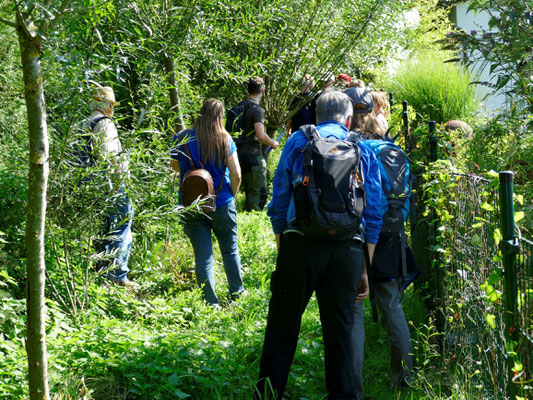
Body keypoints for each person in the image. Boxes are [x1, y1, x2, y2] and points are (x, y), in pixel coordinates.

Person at [255, 91, 383, 400]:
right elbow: (375, 210)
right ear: (349, 118)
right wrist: (365, 267)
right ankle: (344, 395)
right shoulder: (361, 147)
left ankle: (270, 394)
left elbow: (280, 201)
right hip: (348, 249)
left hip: (300, 243)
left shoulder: (299, 142)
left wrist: (282, 249)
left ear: (316, 116)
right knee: (340, 329)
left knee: (283, 324)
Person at [351, 125, 414, 399]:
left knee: (354, 311)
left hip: (363, 236)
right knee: (393, 308)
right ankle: (403, 378)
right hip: (392, 239)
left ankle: (352, 385)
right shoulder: (397, 153)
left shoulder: (359, 150)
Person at [170, 98, 245, 306]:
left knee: (203, 256)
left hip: (191, 203)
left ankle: (210, 303)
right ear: (220, 117)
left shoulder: (182, 137)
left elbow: (174, 167)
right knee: (229, 250)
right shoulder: (224, 138)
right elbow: (237, 173)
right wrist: (232, 194)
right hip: (221, 202)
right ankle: (237, 294)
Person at [87, 86, 135, 287]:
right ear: (107, 105)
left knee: (104, 229)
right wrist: (116, 184)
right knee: (121, 224)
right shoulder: (104, 124)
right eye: (112, 105)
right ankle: (117, 275)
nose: (113, 109)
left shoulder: (84, 123)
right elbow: (110, 157)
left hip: (91, 185)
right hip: (111, 185)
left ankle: (102, 272)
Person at [236, 77, 279, 211]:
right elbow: (260, 135)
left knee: (248, 190)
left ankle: (244, 215)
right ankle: (252, 219)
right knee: (257, 192)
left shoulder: (239, 106)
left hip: (236, 154)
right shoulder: (257, 109)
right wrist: (273, 143)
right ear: (263, 90)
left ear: (248, 90)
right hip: (253, 156)